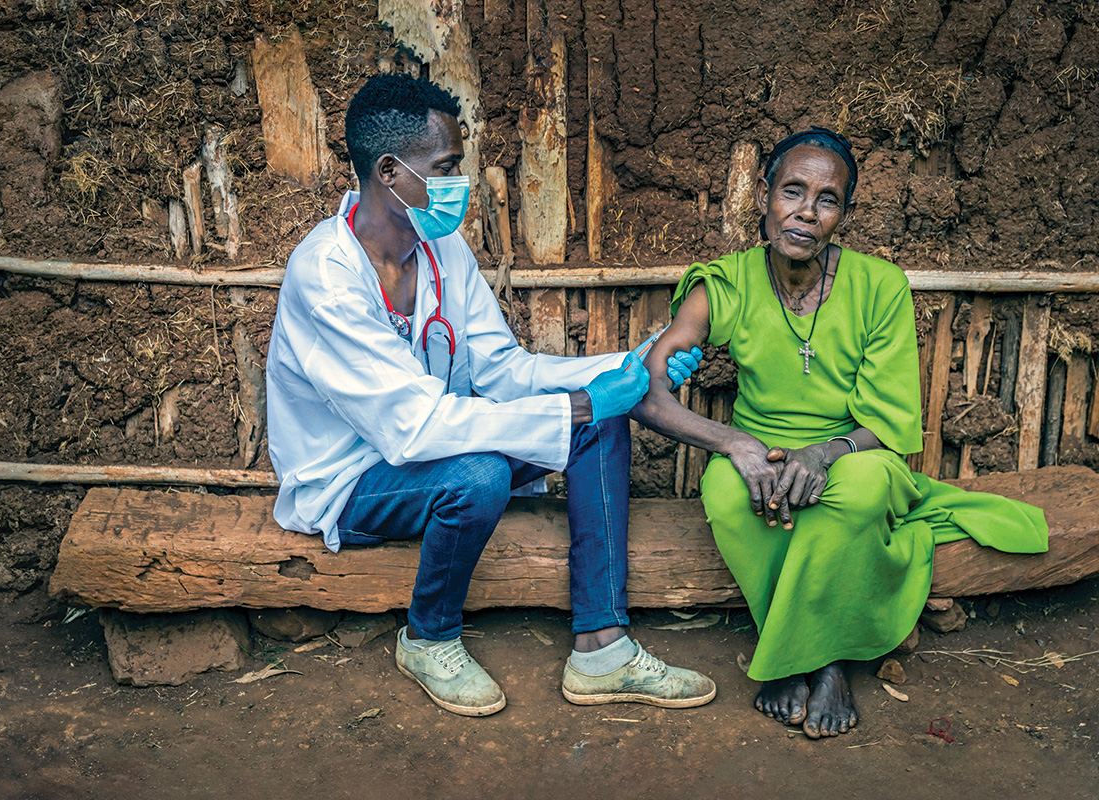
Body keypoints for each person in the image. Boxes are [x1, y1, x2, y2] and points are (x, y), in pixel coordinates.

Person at [266, 73, 714, 717]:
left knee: (597, 424)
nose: (460, 184)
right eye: (444, 167)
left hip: (432, 444)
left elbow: (503, 370)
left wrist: (627, 364)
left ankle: (601, 649)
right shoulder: (326, 275)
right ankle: (428, 638)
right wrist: (582, 403)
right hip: (353, 477)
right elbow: (411, 429)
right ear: (390, 171)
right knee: (479, 476)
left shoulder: (440, 246)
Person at [632, 128, 1048, 739]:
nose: (805, 211)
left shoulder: (879, 287)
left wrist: (826, 453)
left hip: (853, 449)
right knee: (727, 495)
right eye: (792, 191)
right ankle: (821, 653)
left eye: (826, 200)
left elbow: (890, 423)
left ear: (843, 215)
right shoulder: (723, 282)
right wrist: (734, 443)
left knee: (852, 495)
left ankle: (809, 662)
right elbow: (648, 388)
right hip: (756, 449)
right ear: (763, 196)